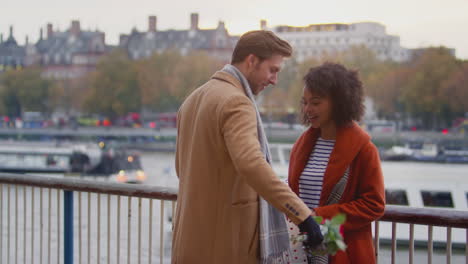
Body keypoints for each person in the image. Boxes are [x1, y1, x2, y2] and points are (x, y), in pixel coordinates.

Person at [173, 30, 323, 264]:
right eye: (272, 70)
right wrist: (302, 215)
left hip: (189, 240)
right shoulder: (236, 102)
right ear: (251, 61)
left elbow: (181, 169)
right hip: (226, 244)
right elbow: (252, 164)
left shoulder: (193, 99)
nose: (274, 80)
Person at [288, 63, 385, 264]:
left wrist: (318, 216)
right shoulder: (301, 145)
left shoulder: (365, 150)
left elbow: (374, 205)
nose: (307, 109)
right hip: (302, 251)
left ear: (339, 102)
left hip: (345, 253)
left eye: (315, 102)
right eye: (304, 102)